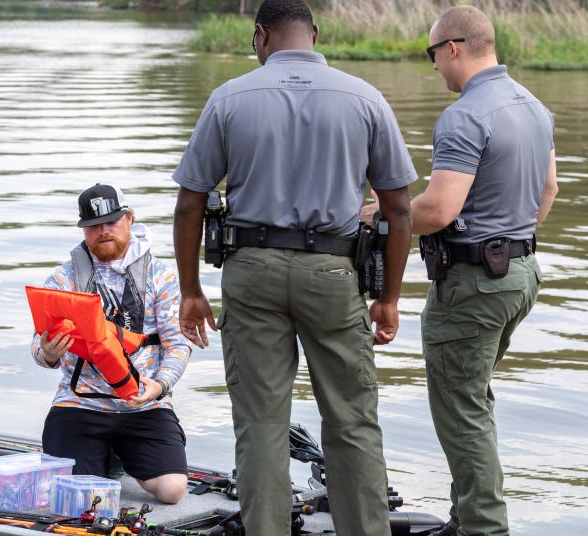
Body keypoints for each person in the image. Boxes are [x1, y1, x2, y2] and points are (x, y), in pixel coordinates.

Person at [170, 1, 416, 534]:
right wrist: (389, 298)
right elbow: (398, 210)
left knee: (260, 423)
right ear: (315, 34)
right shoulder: (365, 98)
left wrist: (191, 291)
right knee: (351, 420)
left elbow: (191, 203)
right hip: (334, 273)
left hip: (251, 270)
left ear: (261, 35)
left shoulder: (229, 98)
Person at [363, 6, 558, 536]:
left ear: (452, 47)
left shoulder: (465, 115)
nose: (433, 66)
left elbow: (438, 210)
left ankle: (483, 529)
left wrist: (377, 214)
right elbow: (548, 191)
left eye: (433, 54)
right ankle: (465, 516)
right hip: (521, 274)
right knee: (472, 400)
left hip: (474, 283)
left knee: (462, 410)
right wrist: (510, 238)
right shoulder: (534, 106)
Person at [30, 183, 191, 504]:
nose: (103, 231)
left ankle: (118, 456)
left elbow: (178, 345)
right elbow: (36, 346)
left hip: (145, 404)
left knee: (172, 490)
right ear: (84, 230)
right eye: (93, 226)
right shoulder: (64, 279)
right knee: (79, 497)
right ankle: (102, 455)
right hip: (79, 405)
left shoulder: (160, 277)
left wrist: (159, 386)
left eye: (111, 222)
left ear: (129, 219)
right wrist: (47, 353)